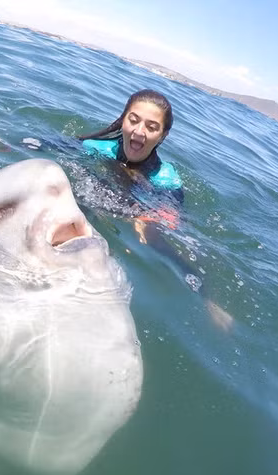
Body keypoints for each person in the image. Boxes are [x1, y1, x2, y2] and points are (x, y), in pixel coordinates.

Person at [79, 89, 233, 330]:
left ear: (163, 135)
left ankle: (207, 299)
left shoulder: (166, 178)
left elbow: (172, 214)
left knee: (153, 238)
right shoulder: (95, 147)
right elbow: (47, 145)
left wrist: (149, 218)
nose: (139, 131)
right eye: (133, 120)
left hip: (138, 210)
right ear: (123, 119)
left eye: (151, 127)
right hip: (101, 199)